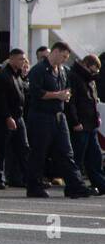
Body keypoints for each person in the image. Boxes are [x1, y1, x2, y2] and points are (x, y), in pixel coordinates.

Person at [24, 42, 94, 198]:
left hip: (58, 115)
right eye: (63, 56)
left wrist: (66, 95)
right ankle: (34, 186)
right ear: (55, 52)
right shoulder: (39, 70)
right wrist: (57, 95)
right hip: (41, 116)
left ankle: (75, 186)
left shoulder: (62, 71)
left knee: (66, 152)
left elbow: (66, 88)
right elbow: (36, 93)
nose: (64, 60)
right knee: (39, 152)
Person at [0, 49, 30, 190]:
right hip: (6, 118)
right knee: (1, 148)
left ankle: (26, 177)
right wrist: (7, 117)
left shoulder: (18, 76)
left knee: (23, 148)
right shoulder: (2, 77)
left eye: (24, 59)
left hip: (19, 117)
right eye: (20, 59)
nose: (23, 62)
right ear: (12, 59)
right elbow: (0, 101)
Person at [66, 54, 105, 195]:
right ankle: (75, 185)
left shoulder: (89, 79)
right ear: (86, 64)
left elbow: (93, 101)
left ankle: (100, 183)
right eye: (93, 70)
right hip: (81, 124)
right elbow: (71, 103)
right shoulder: (74, 77)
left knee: (95, 157)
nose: (94, 74)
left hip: (91, 124)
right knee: (77, 156)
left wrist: (97, 117)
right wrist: (75, 122)